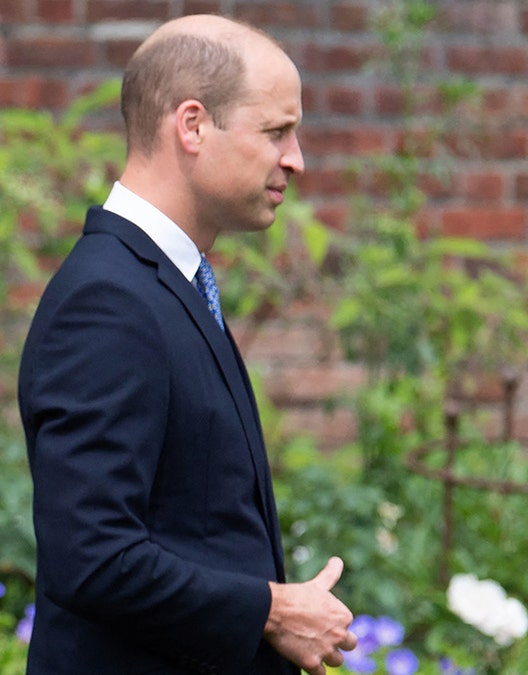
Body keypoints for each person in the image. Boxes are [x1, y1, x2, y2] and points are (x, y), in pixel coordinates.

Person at [18, 14, 357, 675]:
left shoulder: (167, 283)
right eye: (275, 131)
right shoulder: (108, 302)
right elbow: (92, 555)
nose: (296, 158)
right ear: (193, 125)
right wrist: (270, 608)